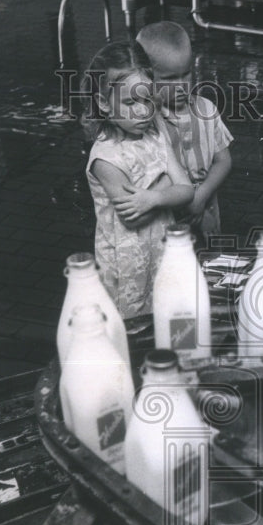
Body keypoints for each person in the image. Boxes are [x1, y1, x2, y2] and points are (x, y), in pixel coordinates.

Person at [83, 40, 193, 319]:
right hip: (126, 267)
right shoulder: (105, 158)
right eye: (130, 102)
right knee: (131, 329)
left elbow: (189, 190)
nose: (143, 111)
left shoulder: (154, 130)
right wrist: (169, 182)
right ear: (104, 104)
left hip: (161, 252)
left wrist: (153, 197)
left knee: (167, 314)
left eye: (148, 99)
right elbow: (134, 217)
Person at [136, 21, 233, 246]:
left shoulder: (207, 109)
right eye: (169, 78)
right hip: (165, 227)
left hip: (207, 212)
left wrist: (201, 196)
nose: (181, 85)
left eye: (186, 74)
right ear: (146, 76)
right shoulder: (146, 121)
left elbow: (224, 161)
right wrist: (196, 209)